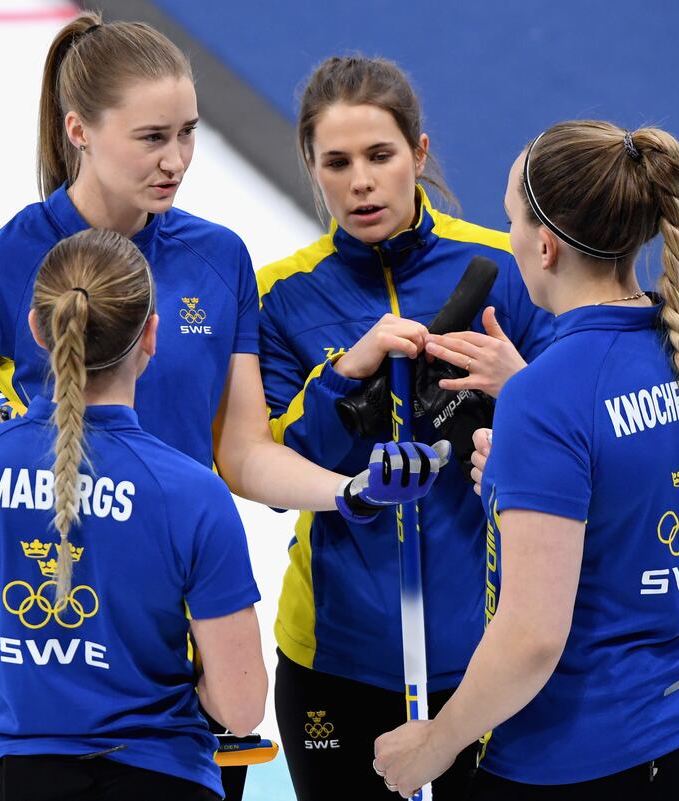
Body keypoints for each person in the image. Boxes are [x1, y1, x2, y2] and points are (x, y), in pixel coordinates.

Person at [0, 17, 443, 799]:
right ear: (80, 130)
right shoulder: (3, 266)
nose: (176, 161)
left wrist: (346, 492)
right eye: (150, 138)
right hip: (54, 636)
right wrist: (19, 487)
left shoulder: (218, 257)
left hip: (183, 644)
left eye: (188, 134)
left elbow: (240, 452)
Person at [373, 121, 679, 801]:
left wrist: (434, 746)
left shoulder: (548, 396)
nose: (507, 241)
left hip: (585, 756)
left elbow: (532, 637)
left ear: (546, 244)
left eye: (509, 221)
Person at [256, 56, 554, 801]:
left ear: (418, 155)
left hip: (487, 653)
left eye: (380, 156)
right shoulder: (279, 297)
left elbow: (574, 429)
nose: (360, 181)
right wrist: (345, 374)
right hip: (334, 654)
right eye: (338, 161)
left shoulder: (502, 267)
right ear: (312, 168)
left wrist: (516, 390)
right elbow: (267, 472)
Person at [0, 228, 266, 800]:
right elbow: (241, 706)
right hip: (161, 776)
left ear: (36, 329)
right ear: (151, 334)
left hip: (11, 780)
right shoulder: (193, 494)